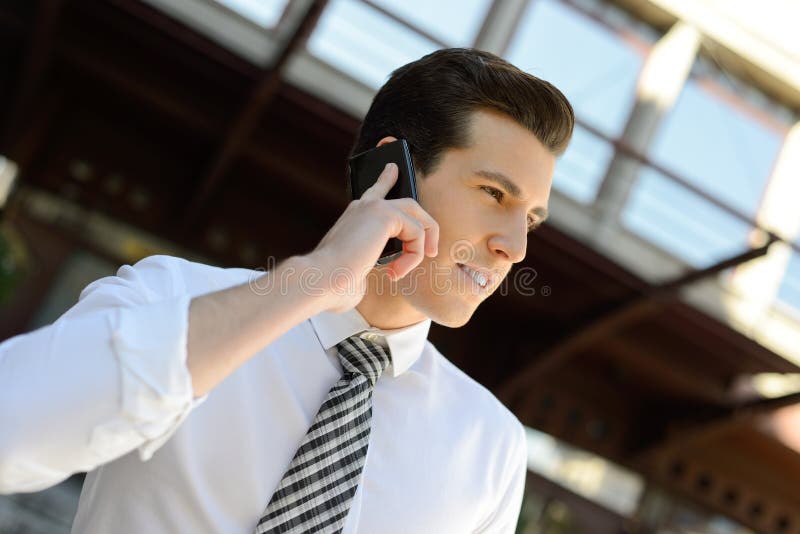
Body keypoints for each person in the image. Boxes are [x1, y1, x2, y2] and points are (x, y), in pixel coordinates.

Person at [0, 47, 573, 532]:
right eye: (494, 194)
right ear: (388, 173)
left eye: (530, 220)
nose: (514, 248)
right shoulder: (169, 296)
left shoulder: (491, 447)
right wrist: (310, 283)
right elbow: (12, 429)